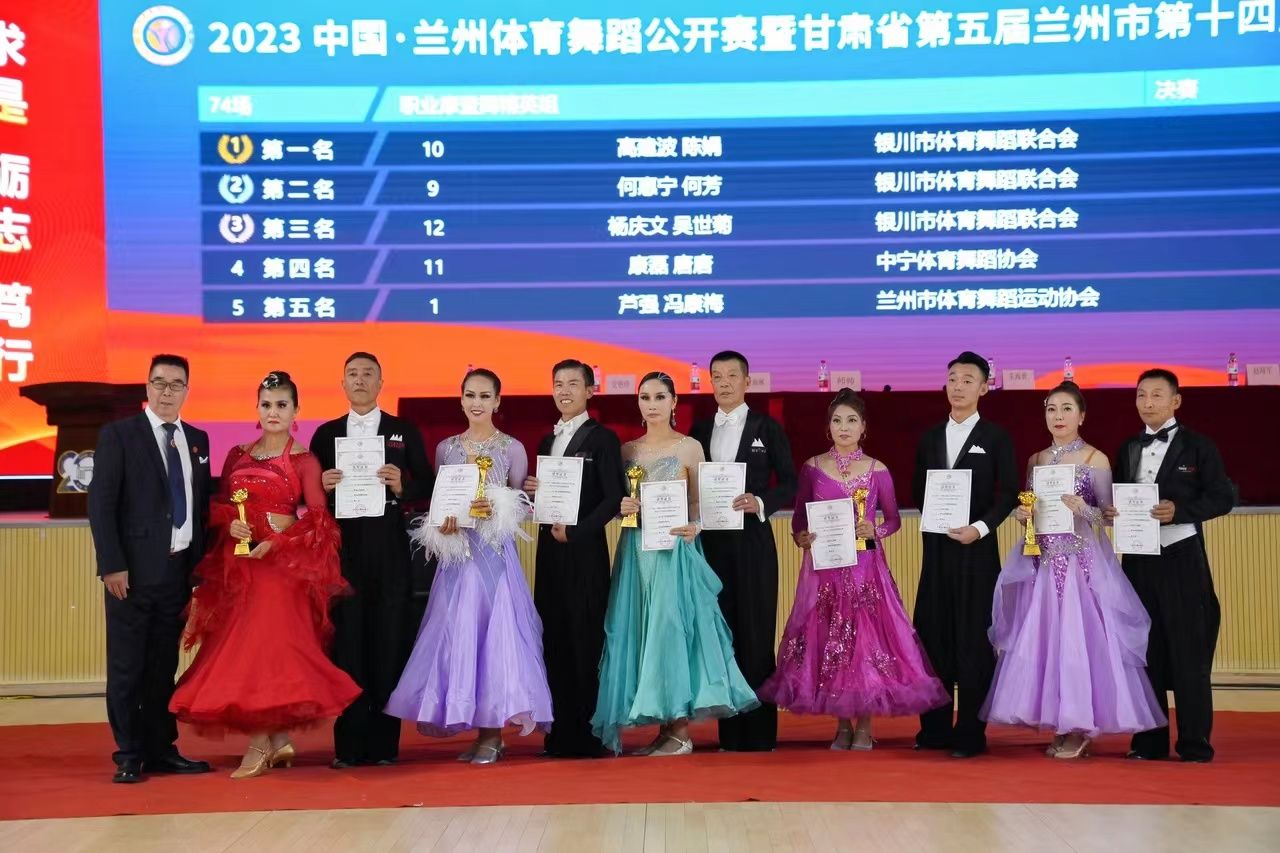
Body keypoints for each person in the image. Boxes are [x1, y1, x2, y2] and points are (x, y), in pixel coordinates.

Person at [169, 372, 360, 778]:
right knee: (246, 652)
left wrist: (278, 540)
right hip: (239, 567)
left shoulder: (304, 460)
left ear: (296, 410)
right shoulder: (237, 454)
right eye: (267, 404)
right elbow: (220, 504)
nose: (273, 412)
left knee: (267, 652)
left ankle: (260, 744)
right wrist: (231, 522)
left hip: (280, 569)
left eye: (282, 405)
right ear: (257, 408)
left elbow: (319, 519)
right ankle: (278, 739)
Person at [981, 381, 1166, 758]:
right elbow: (1033, 511)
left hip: (1081, 565)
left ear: (1082, 415)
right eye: (1051, 409)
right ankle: (1060, 722)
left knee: (1078, 643)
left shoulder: (1095, 459)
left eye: (1066, 409)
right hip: (1044, 564)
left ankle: (1080, 726)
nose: (1058, 416)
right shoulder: (1036, 460)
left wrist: (1084, 509)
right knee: (1048, 643)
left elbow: (1108, 517)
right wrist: (1023, 515)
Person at [759, 390, 949, 749]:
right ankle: (842, 724)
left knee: (864, 642)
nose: (843, 427)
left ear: (864, 428)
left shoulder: (878, 470)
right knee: (831, 641)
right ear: (827, 427)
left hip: (865, 571)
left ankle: (865, 725)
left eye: (851, 420)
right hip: (826, 570)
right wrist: (802, 537)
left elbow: (893, 520)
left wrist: (874, 530)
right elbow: (799, 520)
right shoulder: (813, 468)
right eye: (837, 420)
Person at [385, 368, 553, 765]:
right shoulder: (446, 449)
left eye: (484, 396)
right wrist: (442, 524)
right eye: (470, 395)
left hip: (493, 558)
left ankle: (493, 735)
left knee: (494, 641)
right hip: (458, 559)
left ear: (497, 401)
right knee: (460, 639)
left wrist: (497, 508)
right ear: (461, 400)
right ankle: (478, 731)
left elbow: (520, 508)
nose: (477, 403)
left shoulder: (512, 448)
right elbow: (441, 501)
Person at [592, 372, 759, 757]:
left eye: (659, 397)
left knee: (671, 630)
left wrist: (694, 526)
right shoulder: (627, 451)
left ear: (673, 402)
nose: (651, 404)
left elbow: (700, 502)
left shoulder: (690, 448)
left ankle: (681, 730)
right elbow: (620, 505)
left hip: (674, 552)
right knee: (642, 631)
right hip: (636, 552)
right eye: (645, 397)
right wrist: (621, 508)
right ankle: (666, 729)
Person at [88, 354, 213, 783]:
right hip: (132, 576)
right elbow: (101, 505)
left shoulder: (197, 440)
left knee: (162, 668)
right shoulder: (119, 435)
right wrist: (112, 565)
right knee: (127, 667)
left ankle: (161, 749)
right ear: (147, 387)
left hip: (178, 574)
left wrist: (201, 569)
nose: (166, 391)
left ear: (187, 391)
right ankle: (128, 754)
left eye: (176, 384)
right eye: (159, 382)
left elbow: (200, 505)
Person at [311, 352, 434, 769]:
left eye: (368, 374)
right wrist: (323, 485)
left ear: (381, 383)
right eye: (353, 374)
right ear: (342, 383)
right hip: (343, 551)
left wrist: (403, 486)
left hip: (390, 550)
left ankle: (384, 746)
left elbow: (427, 484)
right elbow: (309, 496)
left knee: (388, 641)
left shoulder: (403, 430)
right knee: (348, 645)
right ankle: (348, 746)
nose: (360, 380)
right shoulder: (326, 434)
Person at [1105, 369, 1234, 762]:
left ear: (1175, 401)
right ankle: (1149, 742)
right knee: (1145, 651)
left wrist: (1180, 510)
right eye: (1141, 395)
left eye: (1157, 395)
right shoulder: (1128, 446)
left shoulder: (1199, 446)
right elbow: (1120, 496)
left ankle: (1195, 743)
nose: (1148, 403)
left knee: (1189, 651)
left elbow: (1223, 497)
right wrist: (1111, 512)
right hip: (1138, 559)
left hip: (1181, 558)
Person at [912, 351, 1018, 758]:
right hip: (937, 551)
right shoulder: (929, 437)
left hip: (977, 553)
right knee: (933, 635)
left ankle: (971, 733)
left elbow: (1007, 494)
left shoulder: (996, 437)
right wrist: (937, 516)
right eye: (953, 378)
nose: (958, 386)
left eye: (968, 380)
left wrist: (979, 528)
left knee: (974, 640)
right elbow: (918, 490)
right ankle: (934, 729)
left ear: (984, 388)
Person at [689, 351, 796, 752]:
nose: (724, 383)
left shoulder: (767, 428)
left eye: (732, 375)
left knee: (756, 634)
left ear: (747, 381)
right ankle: (730, 733)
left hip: (753, 543)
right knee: (722, 636)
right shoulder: (699, 431)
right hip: (712, 545)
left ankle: (761, 732)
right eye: (717, 376)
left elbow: (790, 482)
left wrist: (761, 501)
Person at [523, 360, 624, 758]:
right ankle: (560, 732)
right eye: (558, 384)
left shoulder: (603, 438)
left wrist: (578, 531)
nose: (564, 391)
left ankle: (590, 733)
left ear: (590, 391)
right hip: (550, 550)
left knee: (586, 637)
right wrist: (533, 490)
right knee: (554, 636)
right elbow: (543, 500)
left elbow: (613, 499)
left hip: (585, 552)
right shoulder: (546, 441)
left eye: (573, 384)